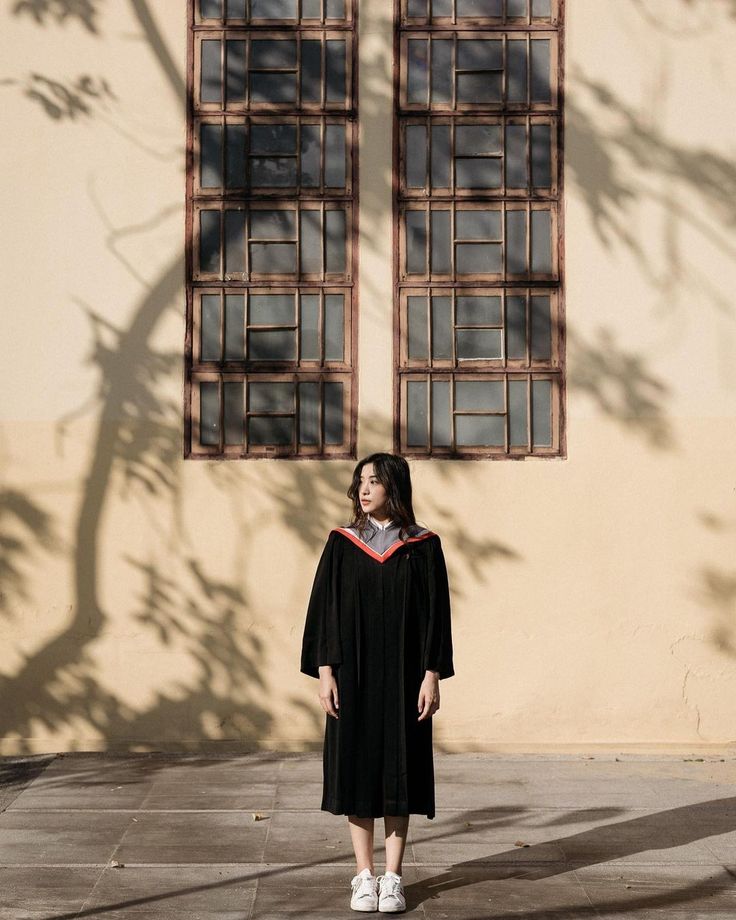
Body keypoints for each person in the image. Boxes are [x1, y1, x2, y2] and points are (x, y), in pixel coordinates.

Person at [300, 452, 455, 913]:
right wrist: (325, 672)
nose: (364, 490)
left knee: (398, 773)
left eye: (374, 481)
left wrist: (432, 675)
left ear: (395, 487)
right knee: (356, 770)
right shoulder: (342, 543)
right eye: (360, 482)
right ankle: (363, 875)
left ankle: (393, 878)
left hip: (406, 679)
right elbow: (324, 611)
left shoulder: (423, 546)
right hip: (353, 675)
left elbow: (436, 618)